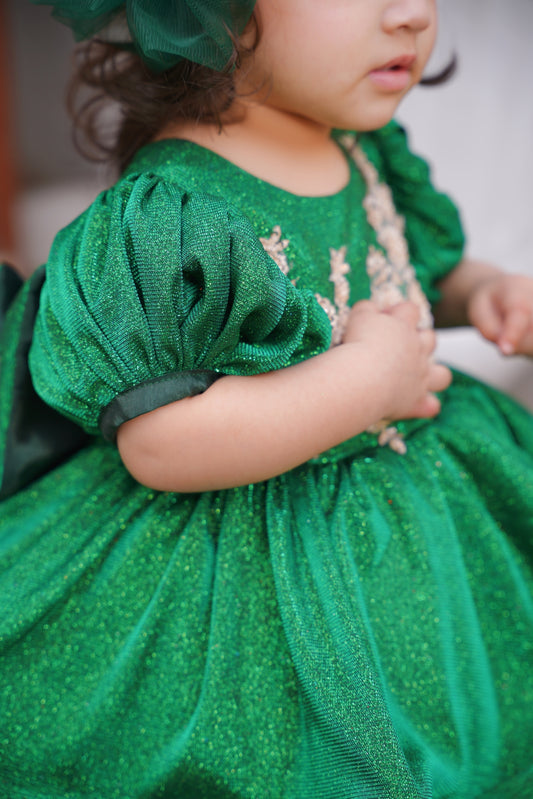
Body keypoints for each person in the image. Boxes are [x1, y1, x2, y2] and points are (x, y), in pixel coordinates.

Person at [1, 0, 532, 796]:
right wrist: (365, 381)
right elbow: (160, 442)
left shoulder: (355, 142)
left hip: (423, 518)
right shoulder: (174, 210)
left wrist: (479, 292)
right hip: (252, 564)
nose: (412, 14)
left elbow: (403, 269)